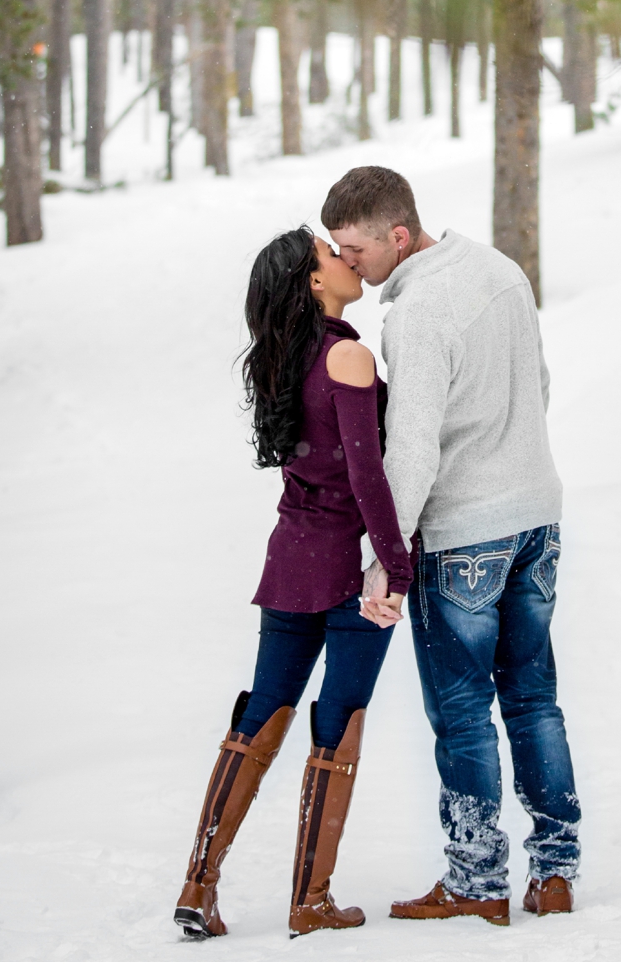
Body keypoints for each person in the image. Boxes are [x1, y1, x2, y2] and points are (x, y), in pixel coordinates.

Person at [323, 165, 579, 927]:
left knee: (464, 715)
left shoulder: (419, 313)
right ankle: (557, 872)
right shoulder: (499, 270)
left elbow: (411, 452)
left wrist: (387, 559)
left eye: (356, 249)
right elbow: (539, 383)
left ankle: (476, 880)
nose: (348, 264)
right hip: (538, 518)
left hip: (465, 536)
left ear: (398, 237)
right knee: (534, 701)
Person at [175, 228, 413, 941]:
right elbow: (369, 477)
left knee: (260, 716)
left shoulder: (285, 357)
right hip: (348, 569)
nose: (344, 259)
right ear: (313, 283)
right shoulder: (348, 355)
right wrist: (398, 569)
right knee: (335, 725)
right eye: (328, 255)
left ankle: (197, 885)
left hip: (291, 559)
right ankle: (310, 900)